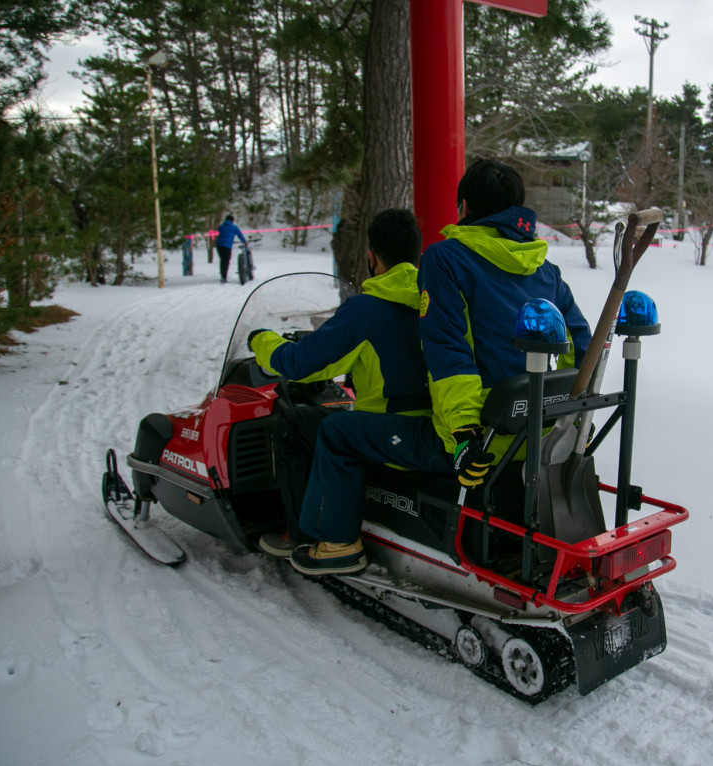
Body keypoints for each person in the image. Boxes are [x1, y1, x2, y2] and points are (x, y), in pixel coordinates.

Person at [248, 208, 450, 575]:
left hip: (394, 430)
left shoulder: (367, 310)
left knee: (295, 424)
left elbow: (300, 364)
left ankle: (313, 536)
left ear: (371, 257)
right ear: (417, 256)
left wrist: (262, 340)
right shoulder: (435, 302)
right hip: (438, 424)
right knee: (335, 421)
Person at [417, 158, 592, 489]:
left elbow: (447, 348)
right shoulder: (544, 270)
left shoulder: (445, 259)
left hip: (484, 440)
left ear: (464, 206)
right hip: (543, 434)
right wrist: (575, 415)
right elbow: (582, 345)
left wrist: (465, 434)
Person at [215, 214, 247, 283]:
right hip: (227, 246)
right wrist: (245, 241)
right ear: (232, 221)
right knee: (226, 261)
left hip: (219, 246)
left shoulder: (221, 227)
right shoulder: (234, 227)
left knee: (222, 261)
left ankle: (223, 276)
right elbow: (239, 235)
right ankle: (224, 277)